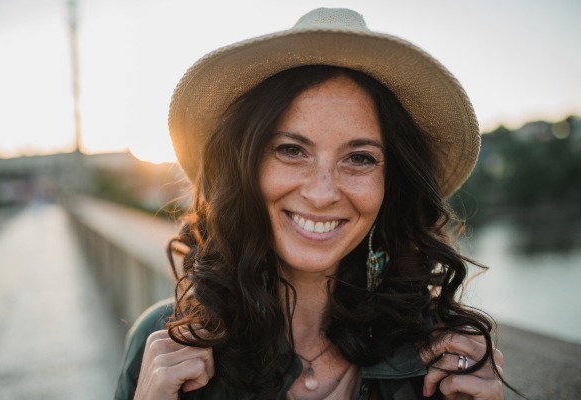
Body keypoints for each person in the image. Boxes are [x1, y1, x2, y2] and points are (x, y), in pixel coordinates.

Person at [114, 8, 510, 400]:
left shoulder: (441, 361)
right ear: (245, 167)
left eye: (359, 158)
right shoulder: (167, 343)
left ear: (393, 185)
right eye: (291, 150)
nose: (322, 194)